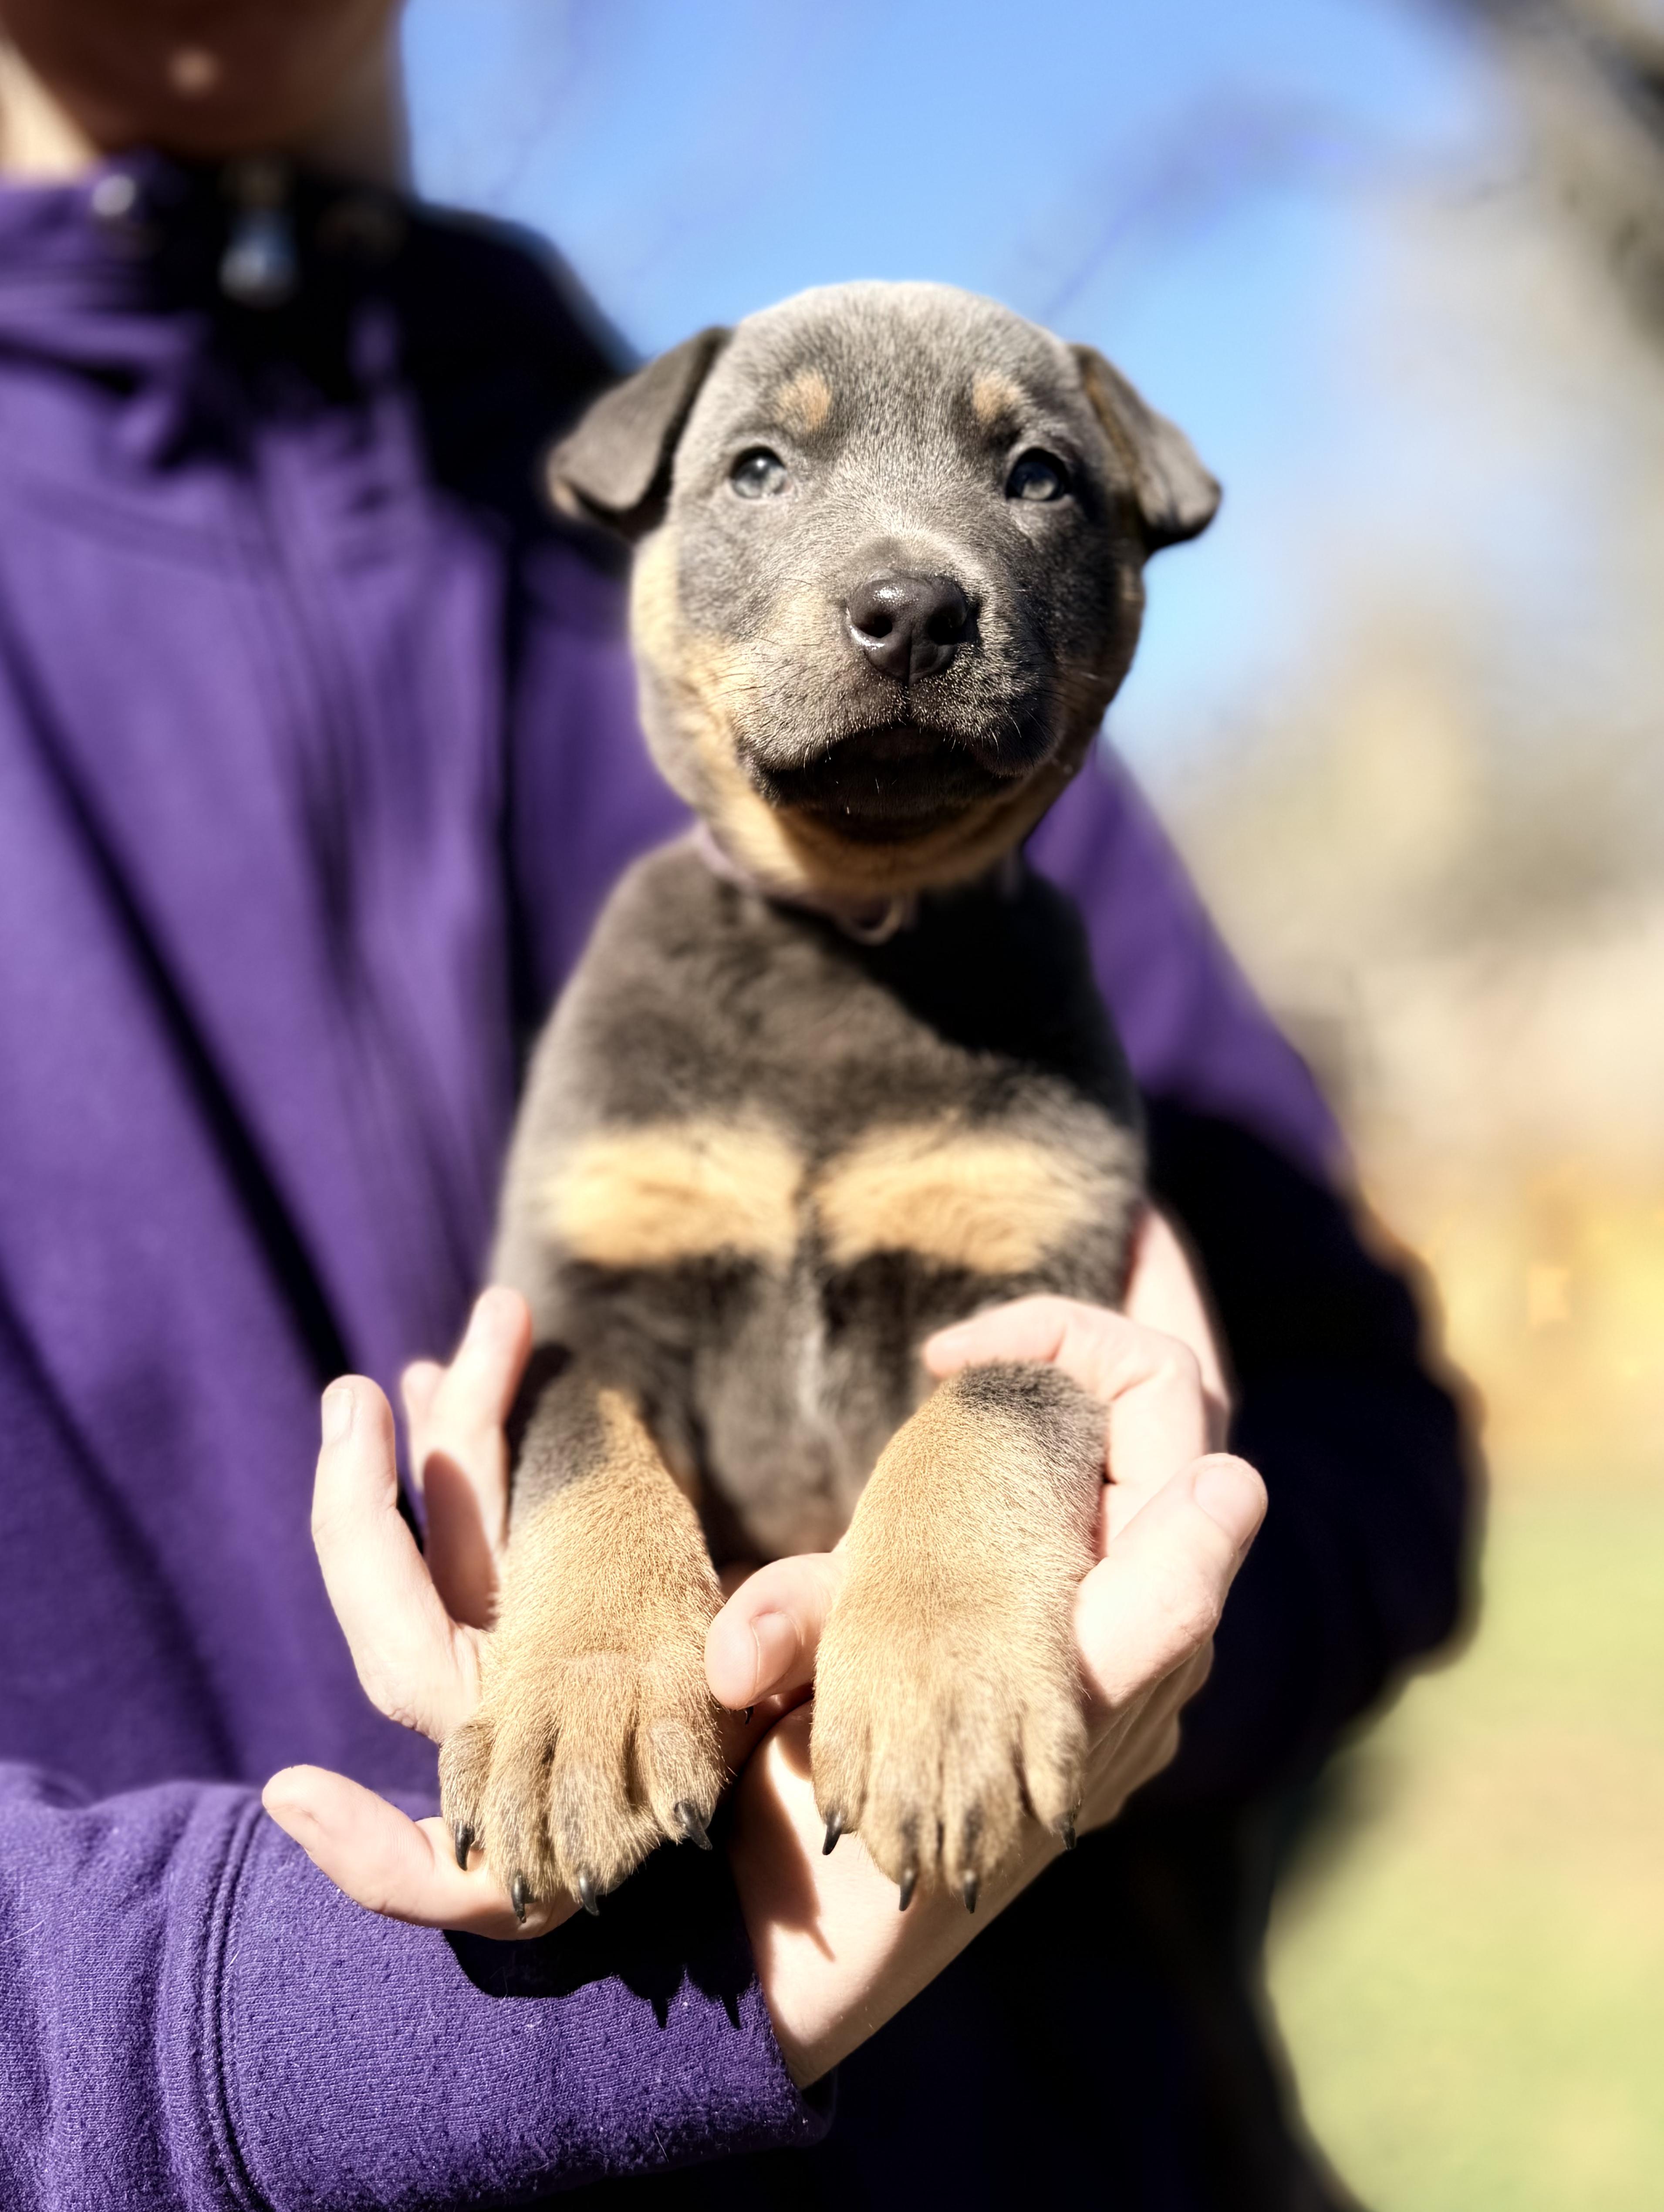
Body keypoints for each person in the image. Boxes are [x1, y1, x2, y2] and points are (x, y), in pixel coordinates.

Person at [0, 3, 1473, 2206]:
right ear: (674, 512)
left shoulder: (994, 856)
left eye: (1016, 480)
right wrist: (249, 2035)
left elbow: (1370, 1464)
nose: (900, 581)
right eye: (770, 476)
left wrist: (1103, 1613)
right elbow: (577, 1375)